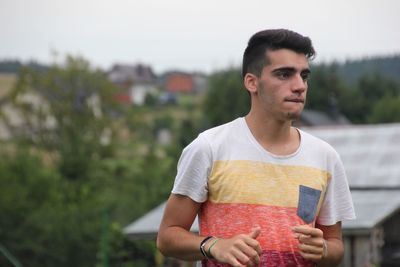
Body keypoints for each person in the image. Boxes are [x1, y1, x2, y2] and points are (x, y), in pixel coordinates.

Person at [157, 29, 355, 267]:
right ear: (252, 82)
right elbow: (167, 236)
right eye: (284, 74)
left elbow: (336, 246)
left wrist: (323, 249)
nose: (299, 86)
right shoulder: (209, 148)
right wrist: (214, 245)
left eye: (304, 76)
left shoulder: (325, 157)